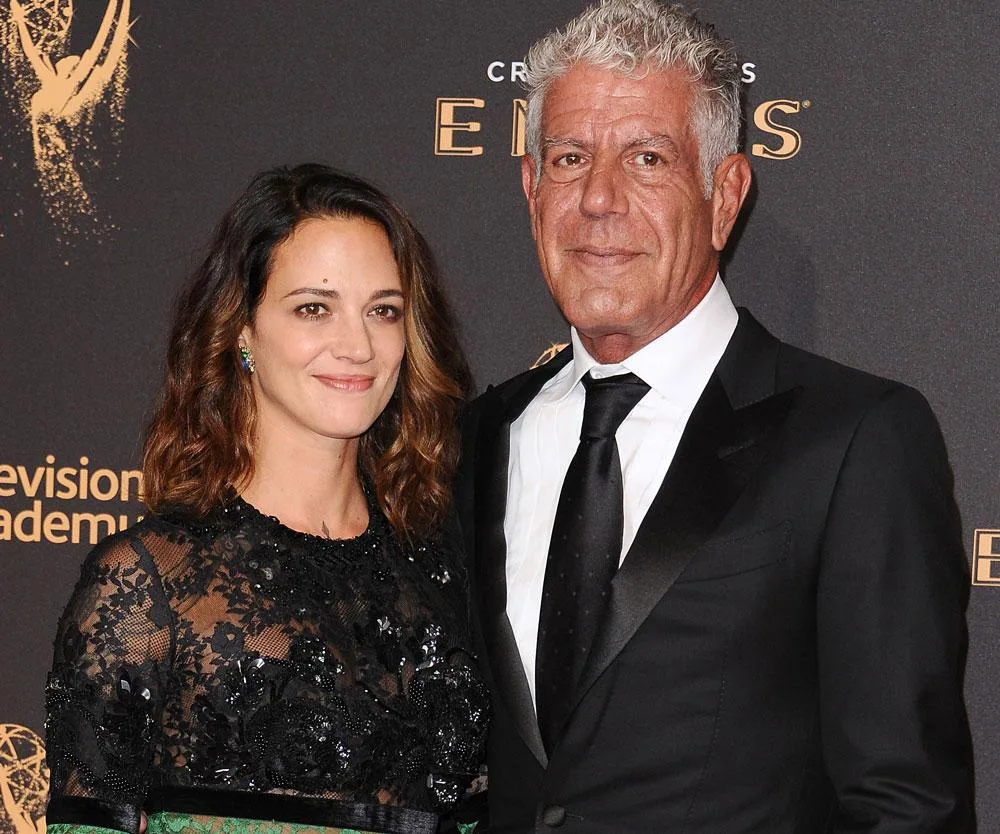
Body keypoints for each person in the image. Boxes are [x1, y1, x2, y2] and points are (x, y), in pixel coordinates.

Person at [456, 1, 975, 831]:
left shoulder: (856, 440)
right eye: (568, 158)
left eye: (648, 158)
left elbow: (906, 803)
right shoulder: (483, 435)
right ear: (530, 187)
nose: (597, 199)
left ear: (725, 193)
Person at [44, 164, 489, 834]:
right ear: (242, 333)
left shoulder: (444, 569)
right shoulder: (146, 587)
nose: (358, 344)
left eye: (383, 310)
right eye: (315, 308)